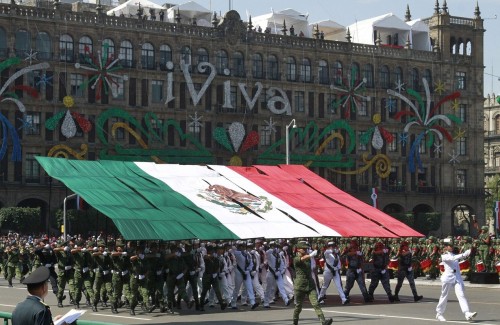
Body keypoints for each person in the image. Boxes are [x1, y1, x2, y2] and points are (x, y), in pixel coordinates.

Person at [435, 238, 477, 322]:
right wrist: (466, 253)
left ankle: (467, 313)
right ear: (446, 247)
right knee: (444, 295)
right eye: (450, 246)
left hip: (457, 277)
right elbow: (454, 258)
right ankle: (439, 314)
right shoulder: (444, 256)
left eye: (452, 245)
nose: (452, 247)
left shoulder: (454, 254)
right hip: (448, 278)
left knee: (461, 295)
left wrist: (472, 248)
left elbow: (458, 256)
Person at [292, 241, 333, 325]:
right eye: (304, 249)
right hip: (300, 285)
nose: (306, 250)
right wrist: (310, 255)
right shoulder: (296, 259)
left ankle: (323, 321)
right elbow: (302, 259)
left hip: (310, 284)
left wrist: (314, 254)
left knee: (316, 303)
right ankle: (295, 322)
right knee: (298, 307)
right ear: (299, 250)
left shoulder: (308, 258)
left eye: (306, 249)